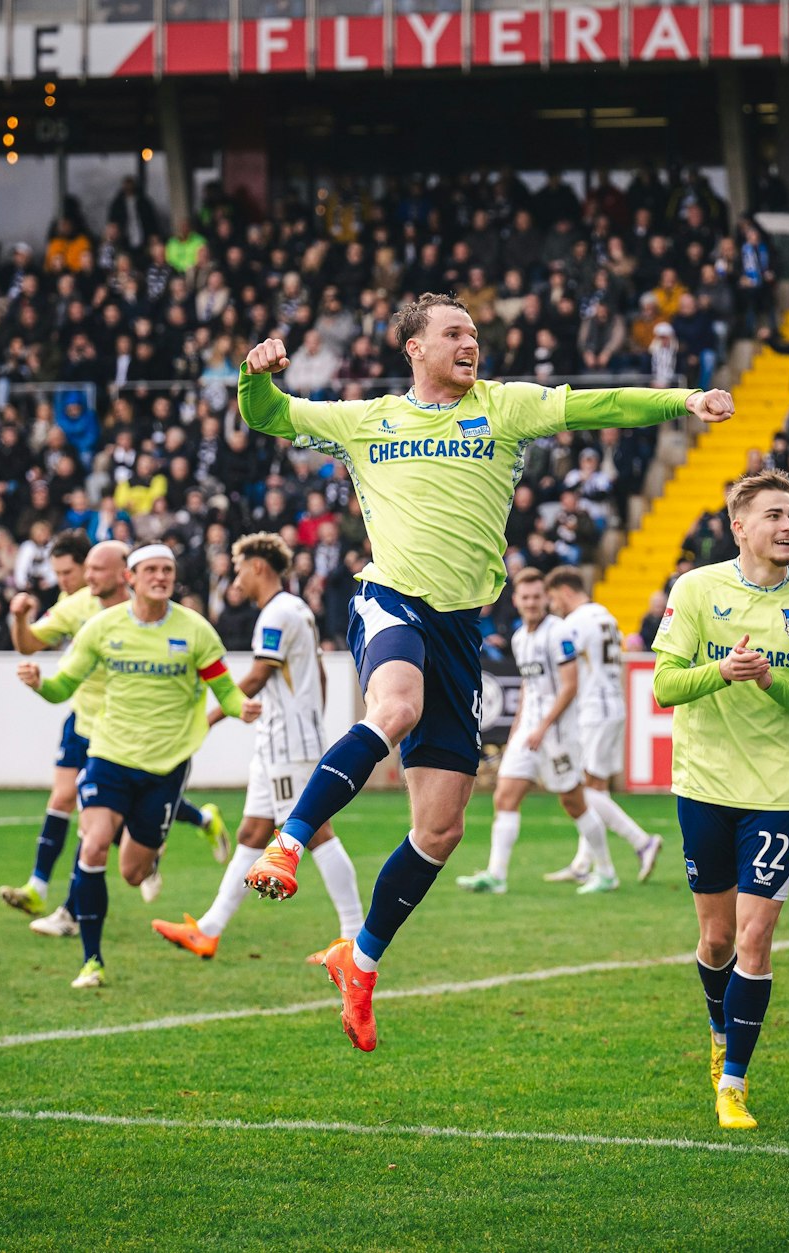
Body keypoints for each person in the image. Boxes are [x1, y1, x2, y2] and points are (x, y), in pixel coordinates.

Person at [233, 293, 733, 1051]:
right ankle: (289, 841)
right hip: (391, 599)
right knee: (394, 706)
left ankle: (359, 961)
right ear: (415, 348)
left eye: (475, 334)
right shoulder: (368, 421)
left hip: (461, 627)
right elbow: (270, 415)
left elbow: (598, 403)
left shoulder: (503, 408)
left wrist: (684, 399)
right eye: (455, 333)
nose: (471, 344)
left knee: (439, 829)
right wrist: (255, 373)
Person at [651, 469, 789, 1130]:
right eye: (774, 514)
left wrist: (769, 681)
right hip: (704, 783)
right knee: (716, 939)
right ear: (740, 527)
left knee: (756, 939)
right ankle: (718, 1030)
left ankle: (732, 1084)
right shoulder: (698, 588)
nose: (788, 525)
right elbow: (664, 685)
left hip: (776, 792)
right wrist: (721, 671)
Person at [16, 545, 260, 988]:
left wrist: (240, 707)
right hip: (109, 755)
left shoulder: (195, 631)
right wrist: (39, 685)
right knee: (92, 846)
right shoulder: (102, 627)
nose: (161, 576)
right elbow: (62, 687)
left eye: (167, 569)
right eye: (151, 569)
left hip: (167, 765)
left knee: (131, 872)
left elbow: (223, 688)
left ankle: (161, 850)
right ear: (131, 577)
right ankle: (92, 961)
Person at [150, 533, 365, 964]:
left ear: (259, 567)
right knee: (251, 833)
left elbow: (259, 674)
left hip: (286, 743)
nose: (236, 577)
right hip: (282, 739)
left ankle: (353, 938)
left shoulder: (276, 614)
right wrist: (307, 720)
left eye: (240, 568)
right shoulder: (296, 610)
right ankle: (208, 930)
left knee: (316, 833)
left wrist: (208, 718)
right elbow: (318, 676)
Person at [455, 568, 617, 896]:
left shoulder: (559, 633)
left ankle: (606, 871)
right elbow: (529, 687)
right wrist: (518, 729)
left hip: (558, 735)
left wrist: (543, 727)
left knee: (574, 803)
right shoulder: (519, 637)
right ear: (515, 600)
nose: (531, 603)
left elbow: (570, 686)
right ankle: (496, 875)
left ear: (545, 598)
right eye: (525, 597)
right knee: (505, 796)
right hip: (529, 733)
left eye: (536, 597)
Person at [541, 566, 664, 884]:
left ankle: (642, 842)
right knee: (596, 788)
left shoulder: (576, 622)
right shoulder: (605, 616)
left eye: (554, 599)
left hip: (594, 709)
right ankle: (584, 863)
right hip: (612, 703)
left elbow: (562, 660)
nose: (553, 606)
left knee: (584, 790)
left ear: (566, 592)